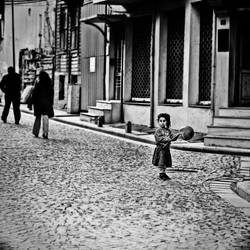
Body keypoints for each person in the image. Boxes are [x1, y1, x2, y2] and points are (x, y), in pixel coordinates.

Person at [152, 113, 181, 180]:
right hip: (161, 149)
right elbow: (158, 139)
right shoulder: (158, 131)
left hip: (166, 149)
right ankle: (161, 173)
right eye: (160, 121)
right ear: (158, 121)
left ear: (167, 121)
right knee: (161, 161)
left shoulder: (168, 130)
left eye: (164, 121)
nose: (162, 123)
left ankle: (163, 172)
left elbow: (172, 137)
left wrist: (178, 135)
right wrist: (167, 139)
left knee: (165, 161)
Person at [28, 70, 54, 139]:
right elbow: (52, 95)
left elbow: (34, 95)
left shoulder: (38, 84)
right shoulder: (49, 84)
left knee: (38, 118)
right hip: (47, 103)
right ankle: (45, 133)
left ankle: (36, 132)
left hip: (38, 104)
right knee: (46, 118)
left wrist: (30, 103)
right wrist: (51, 103)